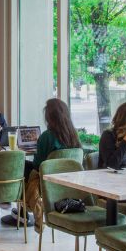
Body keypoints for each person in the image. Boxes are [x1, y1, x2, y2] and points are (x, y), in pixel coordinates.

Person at [23, 98, 82, 232]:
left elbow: (38, 165)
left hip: (46, 181)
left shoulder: (46, 136)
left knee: (22, 165)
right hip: (68, 183)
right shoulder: (74, 135)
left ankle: (23, 208)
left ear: (49, 117)